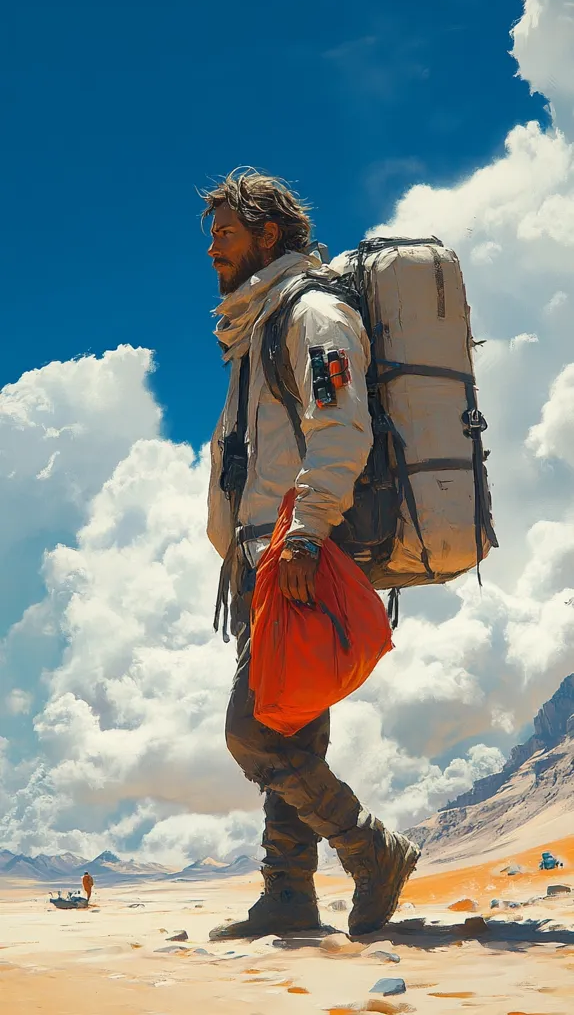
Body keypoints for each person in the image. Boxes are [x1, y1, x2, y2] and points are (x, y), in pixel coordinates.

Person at [203, 169, 419, 940]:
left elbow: (342, 426)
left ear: (268, 234)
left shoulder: (312, 313)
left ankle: (371, 851)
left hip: (299, 550)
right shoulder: (259, 324)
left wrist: (304, 531)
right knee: (290, 727)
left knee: (255, 730)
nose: (212, 249)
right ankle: (288, 896)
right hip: (266, 554)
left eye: (225, 233)